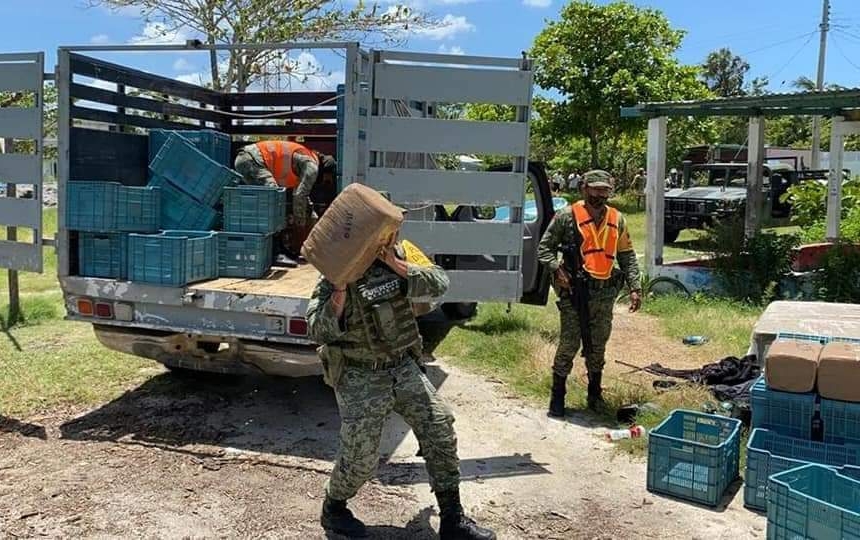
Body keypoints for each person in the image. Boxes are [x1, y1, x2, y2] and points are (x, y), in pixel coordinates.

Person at [307, 232, 495, 540]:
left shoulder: (402, 251)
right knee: (361, 458)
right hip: (360, 373)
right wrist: (339, 290)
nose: (388, 235)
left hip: (402, 366)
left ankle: (452, 520)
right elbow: (317, 328)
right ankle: (334, 506)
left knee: (439, 428)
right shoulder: (336, 266)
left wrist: (396, 264)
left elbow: (439, 283)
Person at [536, 170, 642, 418]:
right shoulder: (566, 216)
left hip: (604, 295)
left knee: (597, 347)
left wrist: (635, 287)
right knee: (569, 345)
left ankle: (594, 395)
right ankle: (557, 396)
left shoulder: (617, 218)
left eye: (604, 190)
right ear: (584, 188)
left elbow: (627, 257)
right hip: (574, 293)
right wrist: (557, 269)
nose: (599, 194)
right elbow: (544, 249)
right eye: (594, 189)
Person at [234, 141, 337, 263]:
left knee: (265, 205)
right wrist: (300, 227)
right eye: (327, 181)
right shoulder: (312, 166)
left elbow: (302, 196)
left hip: (246, 159)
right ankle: (276, 253)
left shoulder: (305, 161)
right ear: (326, 171)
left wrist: (310, 215)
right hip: (252, 160)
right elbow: (300, 196)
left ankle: (273, 250)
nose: (325, 184)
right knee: (273, 200)